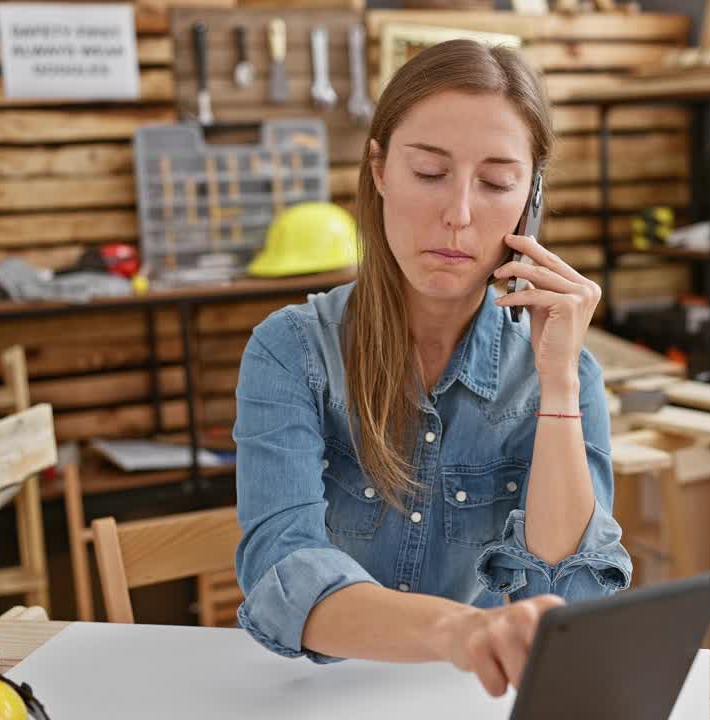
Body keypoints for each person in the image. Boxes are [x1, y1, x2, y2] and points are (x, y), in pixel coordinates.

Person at [233, 38, 631, 697]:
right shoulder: (290, 352)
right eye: (428, 173)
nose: (459, 214)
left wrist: (558, 384)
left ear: (529, 199)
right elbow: (283, 575)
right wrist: (458, 631)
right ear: (381, 170)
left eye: (497, 183)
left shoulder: (564, 371)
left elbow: (571, 598)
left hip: (477, 699)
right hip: (320, 700)